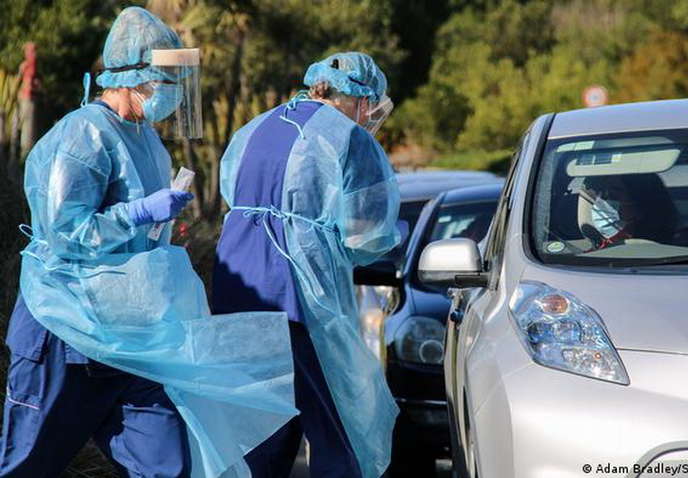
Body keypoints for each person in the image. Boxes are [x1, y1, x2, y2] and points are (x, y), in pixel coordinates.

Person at [0, 7, 195, 477]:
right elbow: (67, 232)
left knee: (165, 464)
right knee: (26, 464)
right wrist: (140, 212)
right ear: (132, 75)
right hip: (63, 327)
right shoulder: (82, 134)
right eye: (166, 78)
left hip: (127, 334)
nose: (173, 90)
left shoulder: (147, 140)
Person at [212, 52, 401, 478]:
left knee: (261, 427)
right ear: (362, 100)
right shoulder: (349, 138)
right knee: (339, 425)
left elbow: (233, 196)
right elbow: (367, 234)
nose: (370, 118)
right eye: (372, 108)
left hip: (235, 285)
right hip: (298, 293)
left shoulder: (255, 127)